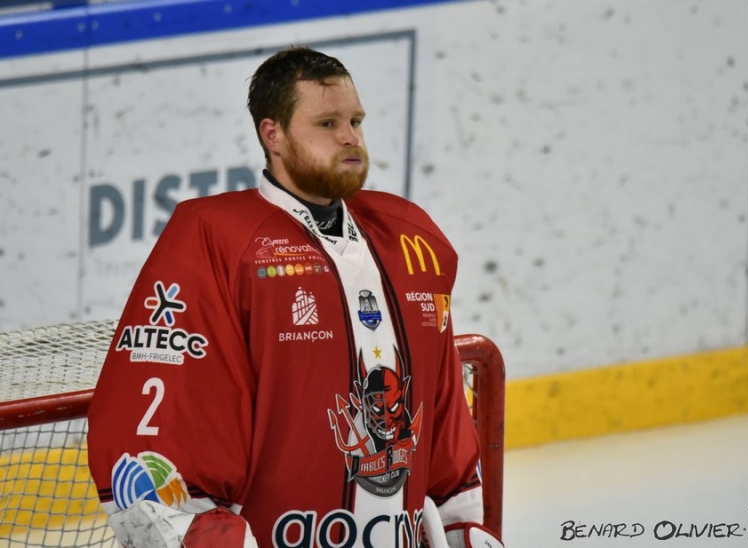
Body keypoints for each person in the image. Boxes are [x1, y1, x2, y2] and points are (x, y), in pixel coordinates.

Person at [87, 46, 504, 548]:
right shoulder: (215, 241)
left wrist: (464, 530)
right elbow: (160, 438)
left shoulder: (412, 241)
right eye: (326, 124)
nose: (350, 137)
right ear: (273, 135)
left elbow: (443, 429)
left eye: (355, 120)